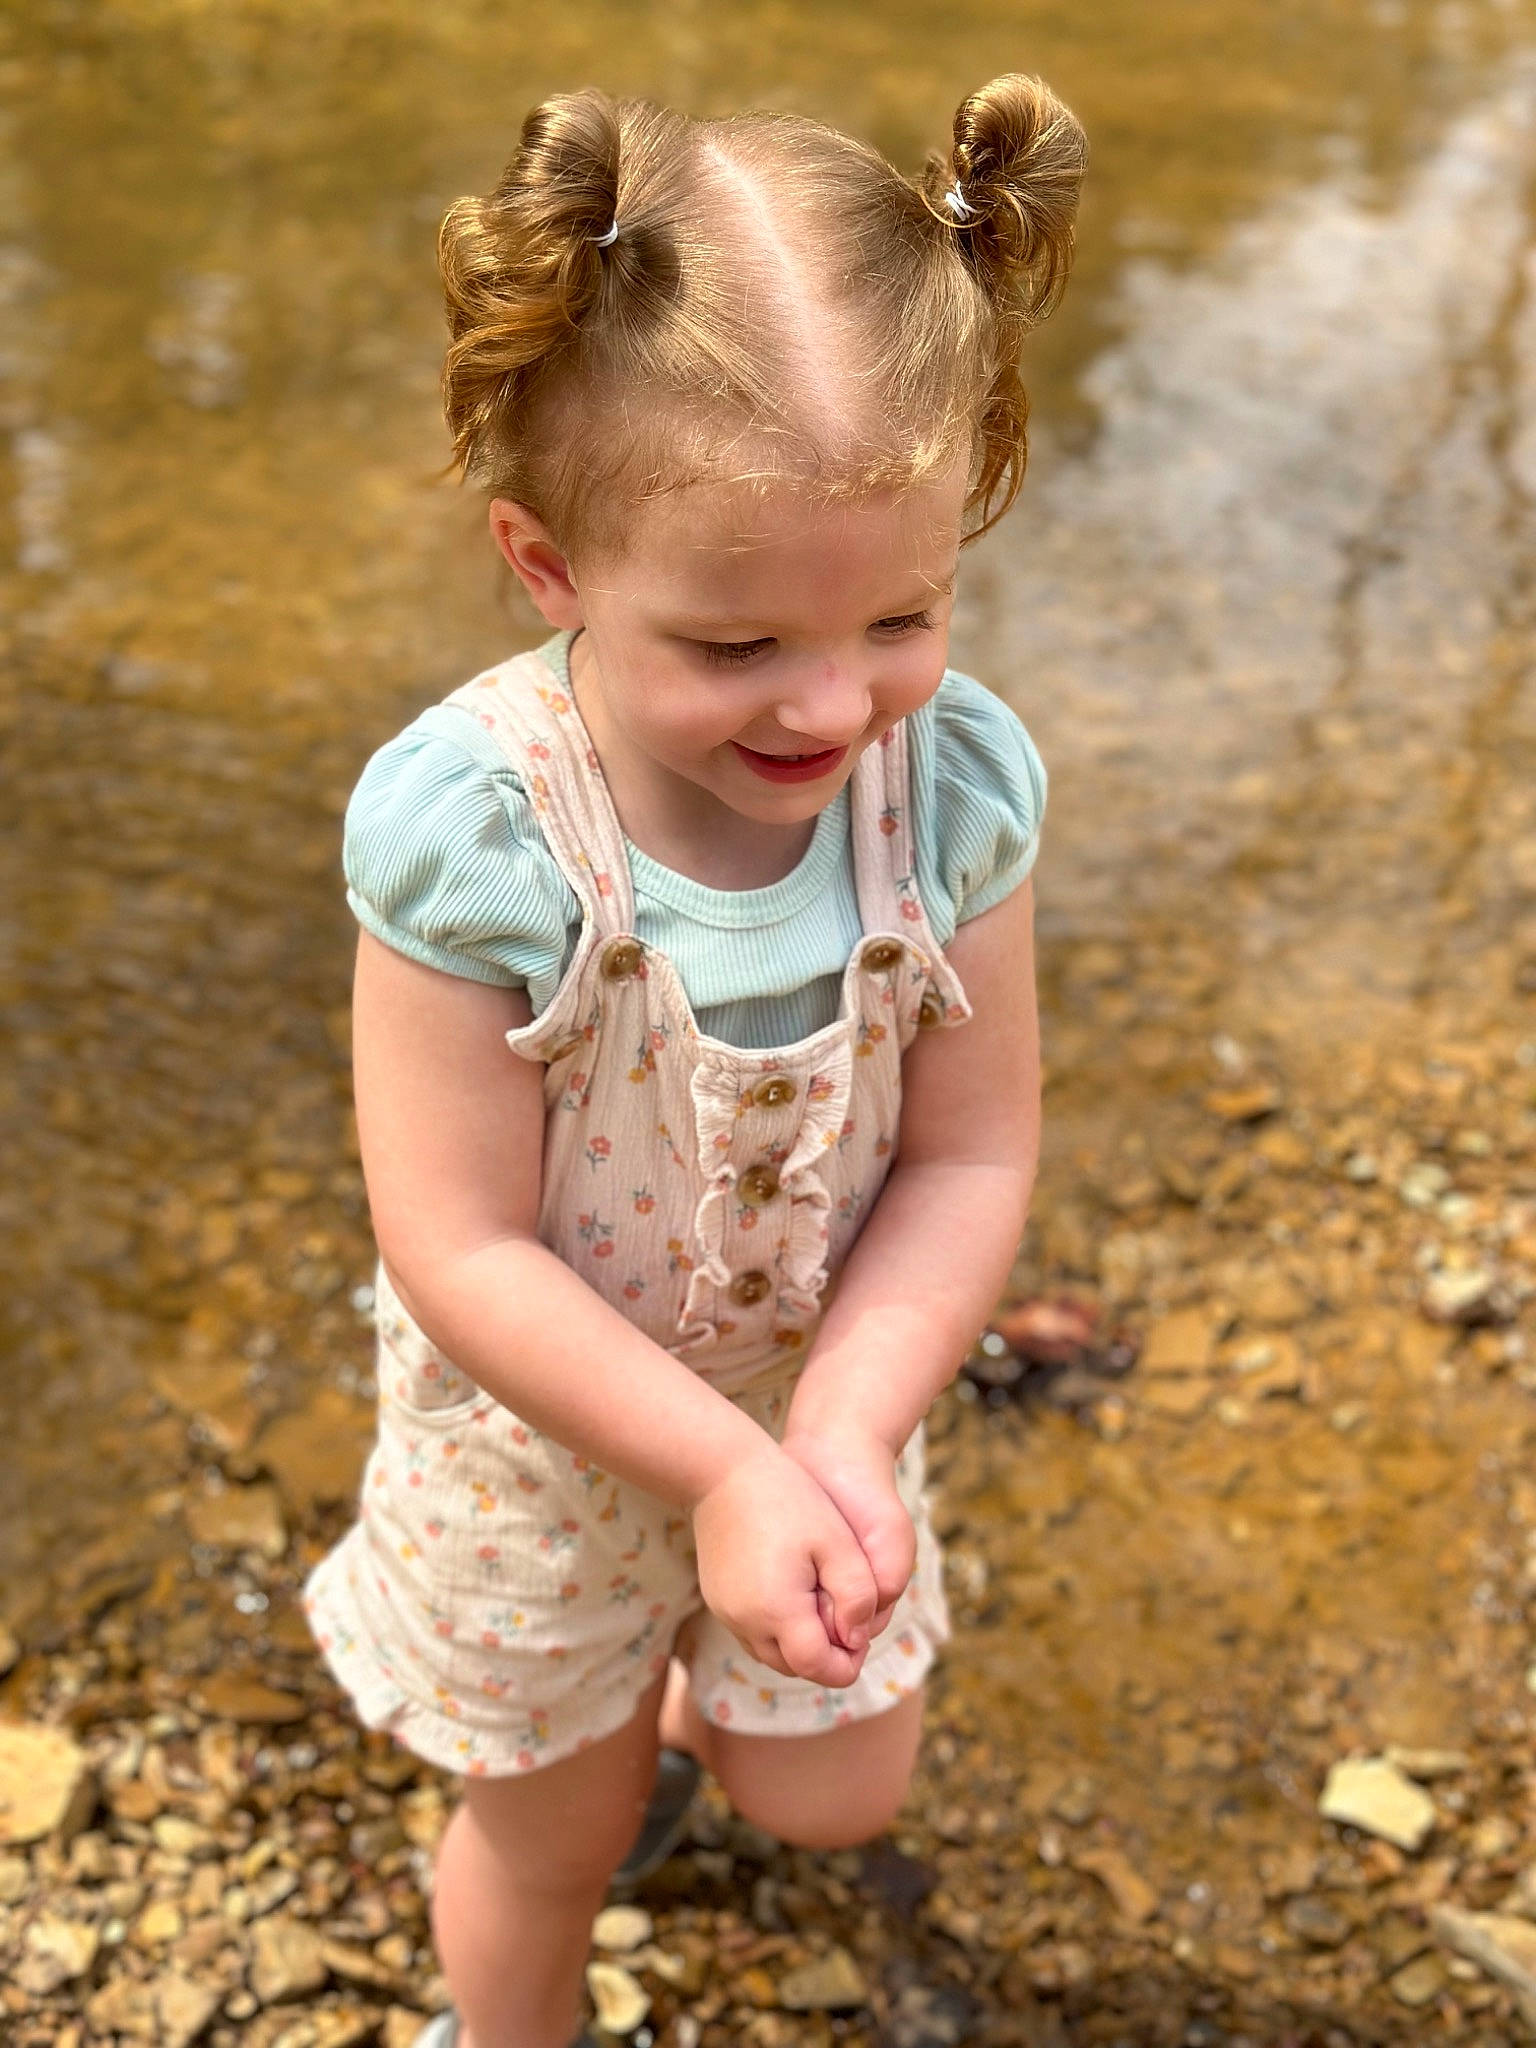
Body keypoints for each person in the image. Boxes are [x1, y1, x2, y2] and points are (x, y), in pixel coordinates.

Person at [303, 71, 1085, 2048]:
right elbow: (457, 1242)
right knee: (549, 1845)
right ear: (549, 565)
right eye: (735, 646)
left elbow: (972, 1158)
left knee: (836, 1785)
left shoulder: (953, 786)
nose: (834, 699)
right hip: (543, 1442)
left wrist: (825, 1438)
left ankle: (696, 1663)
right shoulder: (480, 842)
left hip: (817, 1384)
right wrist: (707, 1469)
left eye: (901, 611)